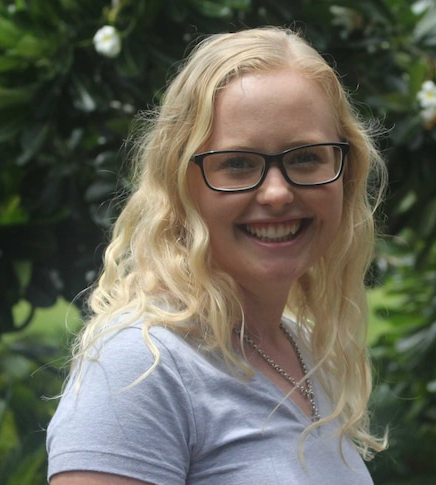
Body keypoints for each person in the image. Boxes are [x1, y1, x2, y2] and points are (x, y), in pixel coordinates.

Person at [46, 26, 388, 484]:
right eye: (238, 164)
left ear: (344, 174)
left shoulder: (309, 352)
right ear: (180, 185)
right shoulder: (143, 365)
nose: (277, 193)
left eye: (306, 157)